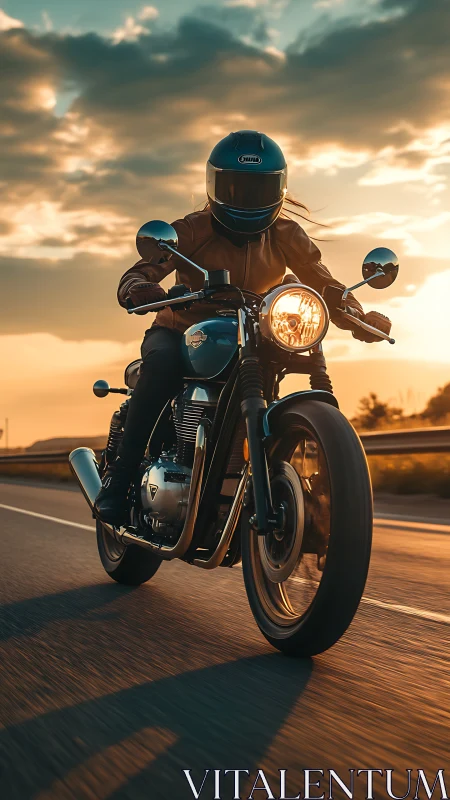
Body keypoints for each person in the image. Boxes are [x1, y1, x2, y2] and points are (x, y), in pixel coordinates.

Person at [95, 130, 391, 526]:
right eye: (236, 187)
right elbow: (145, 268)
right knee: (161, 366)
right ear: (215, 185)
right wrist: (140, 287)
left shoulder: (286, 234)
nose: (246, 197)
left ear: (279, 188)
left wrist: (355, 312)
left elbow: (323, 282)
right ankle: (120, 480)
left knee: (292, 359)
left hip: (255, 333)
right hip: (184, 329)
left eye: (258, 188)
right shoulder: (193, 229)